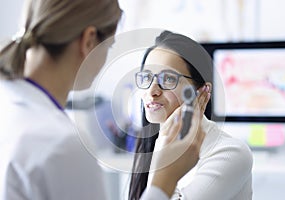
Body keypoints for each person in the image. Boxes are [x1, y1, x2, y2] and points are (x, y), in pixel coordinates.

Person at [0, 1, 206, 199]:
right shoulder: (62, 145)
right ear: (89, 40)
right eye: (109, 46)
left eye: (167, 79)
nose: (153, 90)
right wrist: (165, 180)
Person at [129, 31, 253, 200]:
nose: (152, 91)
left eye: (168, 79)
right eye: (146, 77)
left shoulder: (230, 152)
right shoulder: (151, 145)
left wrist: (163, 148)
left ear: (202, 90)